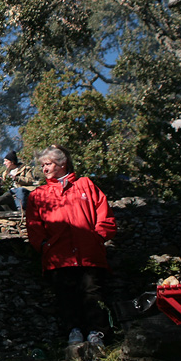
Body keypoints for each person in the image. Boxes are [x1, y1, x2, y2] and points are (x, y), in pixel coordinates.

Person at [26, 145, 116, 348]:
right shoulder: (38, 195)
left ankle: (98, 333)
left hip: (88, 252)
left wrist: (97, 236)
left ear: (62, 163)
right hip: (59, 255)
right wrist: (44, 245)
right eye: (42, 165)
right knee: (66, 295)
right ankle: (73, 332)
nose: (44, 169)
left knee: (93, 292)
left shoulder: (86, 185)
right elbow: (34, 226)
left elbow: (104, 214)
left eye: (48, 164)